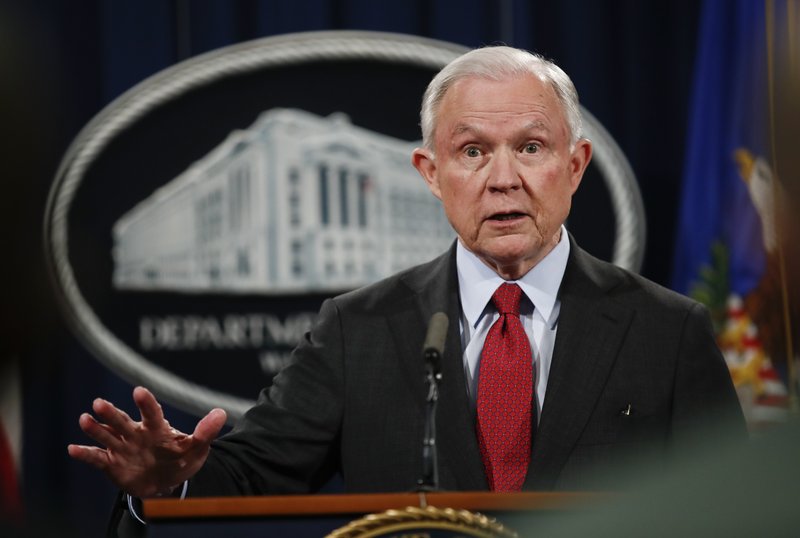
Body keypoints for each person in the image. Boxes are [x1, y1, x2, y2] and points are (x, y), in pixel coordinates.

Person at [69, 45, 745, 522]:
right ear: (430, 173)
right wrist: (173, 481)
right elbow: (249, 475)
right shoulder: (358, 330)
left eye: (531, 148)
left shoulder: (667, 332)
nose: (503, 178)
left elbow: (732, 511)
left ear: (575, 165)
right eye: (472, 151)